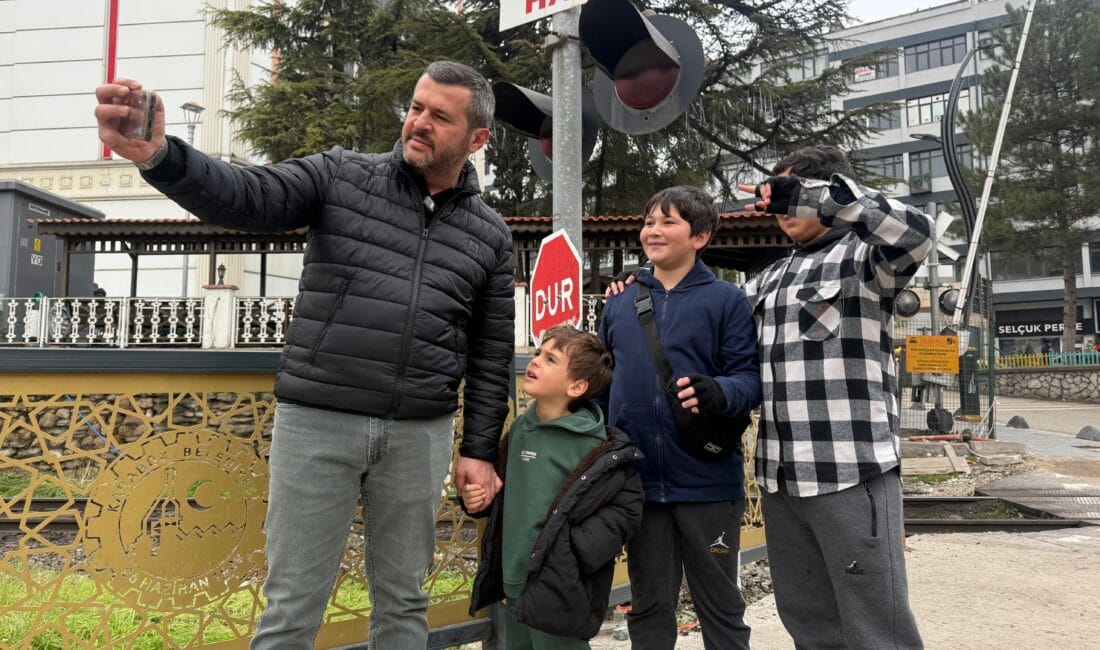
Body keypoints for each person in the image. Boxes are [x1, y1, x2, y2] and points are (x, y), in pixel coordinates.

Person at [94, 61, 515, 649]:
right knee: (293, 603)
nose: (418, 123)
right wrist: (161, 154)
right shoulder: (341, 175)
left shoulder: (490, 235)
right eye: (416, 107)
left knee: (404, 602)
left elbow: (491, 354)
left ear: (477, 138)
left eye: (439, 117)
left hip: (419, 436)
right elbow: (246, 197)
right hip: (318, 422)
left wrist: (477, 451)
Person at [736, 145, 929, 648]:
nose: (780, 210)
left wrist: (820, 198)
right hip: (779, 477)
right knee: (808, 621)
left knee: (876, 627)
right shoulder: (769, 280)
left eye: (789, 195)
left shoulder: (867, 260)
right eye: (776, 198)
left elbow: (917, 232)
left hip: (850, 471)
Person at [597, 186, 761, 649]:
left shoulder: (726, 300)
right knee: (648, 606)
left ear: (700, 236)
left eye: (668, 222)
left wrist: (718, 391)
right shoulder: (620, 300)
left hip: (709, 483)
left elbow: (750, 380)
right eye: (649, 221)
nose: (653, 230)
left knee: (721, 605)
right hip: (638, 484)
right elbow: (601, 384)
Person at [463, 324, 644, 649]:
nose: (534, 362)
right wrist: (478, 498)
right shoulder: (520, 428)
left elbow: (625, 507)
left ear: (576, 385)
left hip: (558, 587)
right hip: (513, 583)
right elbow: (501, 489)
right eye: (537, 353)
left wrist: (575, 552)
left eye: (550, 359)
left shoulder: (595, 446)